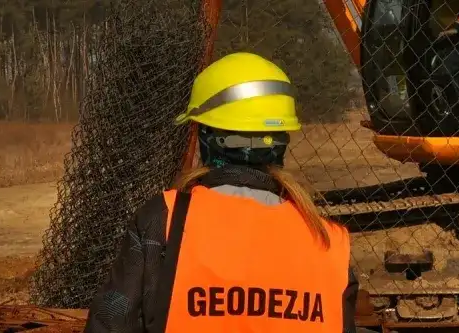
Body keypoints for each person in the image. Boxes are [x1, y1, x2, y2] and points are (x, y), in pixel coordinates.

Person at [83, 52, 359, 333]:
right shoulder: (329, 241)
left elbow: (110, 323)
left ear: (206, 136)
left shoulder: (165, 219)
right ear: (282, 139)